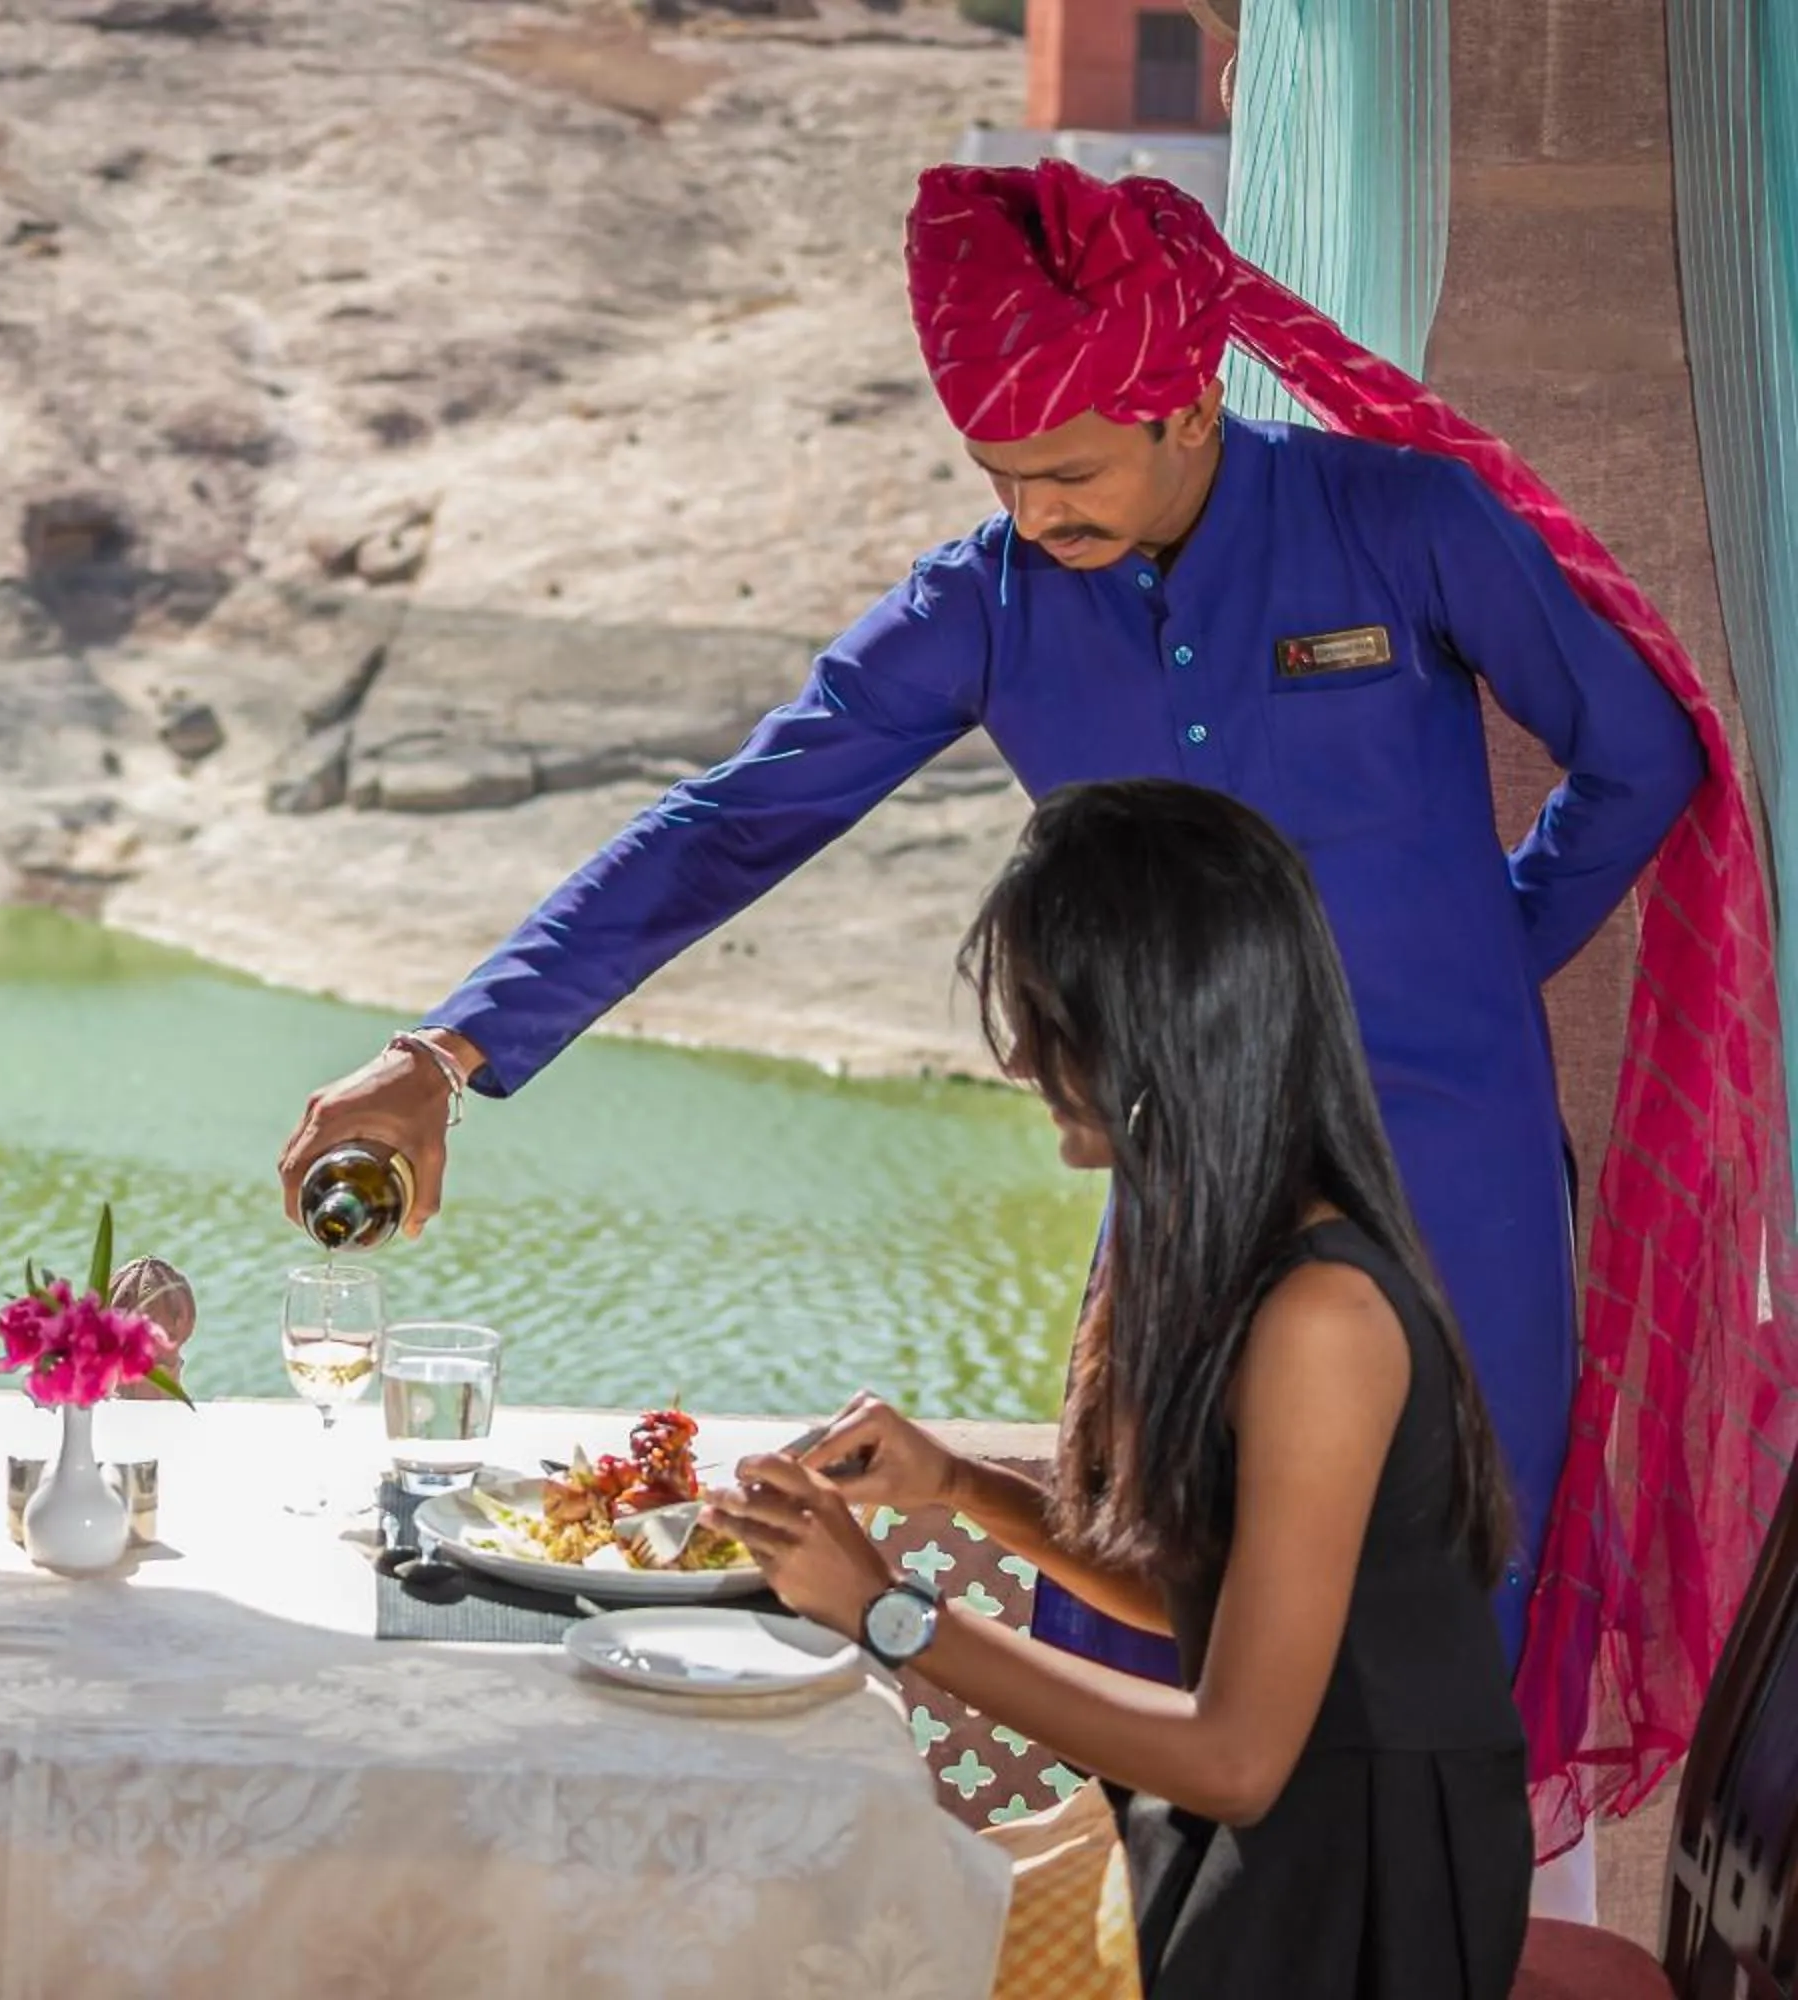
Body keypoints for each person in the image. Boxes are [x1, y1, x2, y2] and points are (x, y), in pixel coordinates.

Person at [276, 157, 1789, 1859]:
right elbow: (733, 821)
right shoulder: (986, 604)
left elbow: (1642, 751)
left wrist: (1481, 968)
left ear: (1188, 403)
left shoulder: (1400, 523)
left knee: (1446, 1604)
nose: (1036, 513)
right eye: (1002, 476)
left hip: (1458, 1171)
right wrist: (444, 1052)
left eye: (1070, 471)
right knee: (1144, 1586)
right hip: (1187, 1192)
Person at [709, 778, 1531, 1999]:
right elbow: (1187, 1605)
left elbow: (1238, 1756)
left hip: (1356, 1895)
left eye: (1046, 1015)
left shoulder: (1321, 1315)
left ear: (1154, 1026)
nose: (1015, 1055)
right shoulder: (1242, 1254)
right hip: (1278, 1833)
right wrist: (959, 1485)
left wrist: (891, 1612)